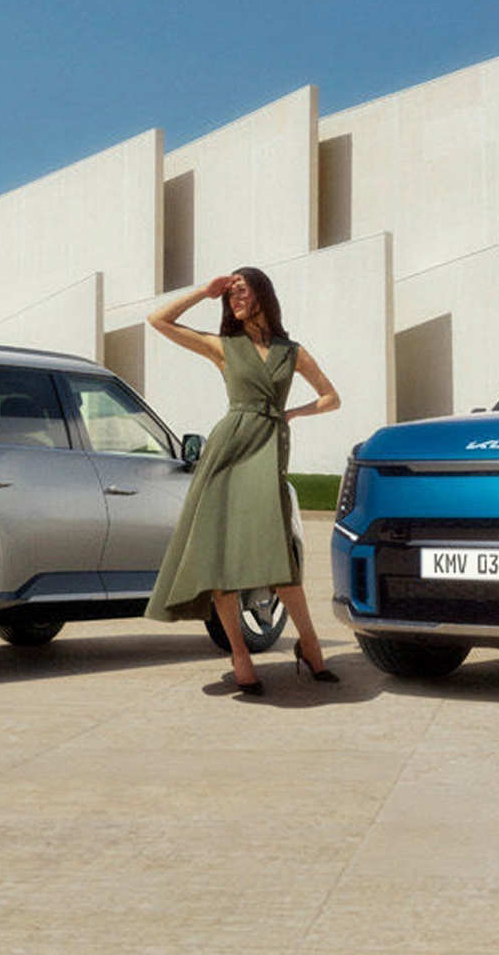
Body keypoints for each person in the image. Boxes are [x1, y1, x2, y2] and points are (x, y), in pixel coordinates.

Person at [144, 268, 341, 696]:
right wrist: (204, 291)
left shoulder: (292, 352)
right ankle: (240, 655)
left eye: (241, 291)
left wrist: (292, 413)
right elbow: (158, 320)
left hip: (268, 451)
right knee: (221, 559)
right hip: (227, 454)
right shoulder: (224, 347)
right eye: (229, 294)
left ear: (262, 295)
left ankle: (309, 644)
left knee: (279, 557)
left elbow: (332, 398)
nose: (233, 298)